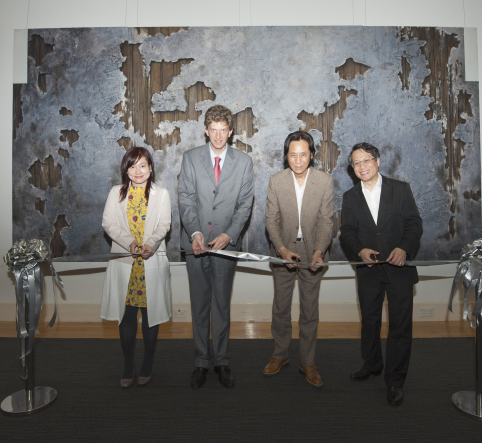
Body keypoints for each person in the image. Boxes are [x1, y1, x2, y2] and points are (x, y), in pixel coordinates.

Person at [339, 142, 423, 406]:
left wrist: (404, 249)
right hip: (369, 271)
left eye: (366, 161)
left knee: (399, 326)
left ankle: (395, 379)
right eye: (356, 163)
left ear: (377, 161)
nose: (362, 167)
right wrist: (359, 250)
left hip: (399, 269)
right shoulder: (349, 197)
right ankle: (372, 363)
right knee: (370, 322)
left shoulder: (401, 189)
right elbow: (348, 233)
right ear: (352, 169)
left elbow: (414, 225)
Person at [178, 104, 254, 389]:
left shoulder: (244, 162)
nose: (219, 136)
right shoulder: (190, 158)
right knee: (199, 304)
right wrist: (195, 232)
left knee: (221, 304)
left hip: (226, 245)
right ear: (206, 130)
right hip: (195, 243)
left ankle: (221, 360)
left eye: (224, 130)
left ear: (231, 132)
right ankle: (201, 361)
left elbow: (245, 204)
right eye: (214, 130)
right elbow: (185, 199)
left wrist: (229, 234)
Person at [263, 131, 335, 388]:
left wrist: (319, 250)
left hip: (313, 252)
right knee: (280, 308)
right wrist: (281, 250)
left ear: (311, 155)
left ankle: (308, 362)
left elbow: (327, 221)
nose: (298, 159)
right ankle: (280, 355)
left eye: (303, 154)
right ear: (286, 156)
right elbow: (271, 221)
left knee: (309, 310)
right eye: (292, 154)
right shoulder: (276, 181)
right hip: (283, 252)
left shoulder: (325, 182)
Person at [101, 146, 172, 388]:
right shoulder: (115, 193)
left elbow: (164, 225)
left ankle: (147, 364)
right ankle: (128, 365)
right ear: (126, 170)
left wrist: (151, 243)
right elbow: (108, 223)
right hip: (125, 263)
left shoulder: (161, 194)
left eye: (143, 165)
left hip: (150, 262)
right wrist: (129, 242)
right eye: (132, 166)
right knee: (127, 316)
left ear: (151, 168)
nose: (138, 170)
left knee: (151, 317)